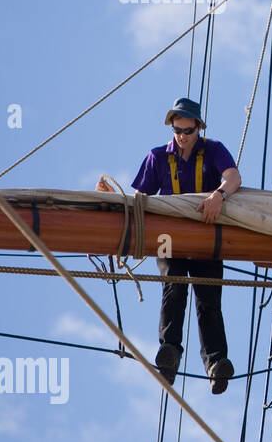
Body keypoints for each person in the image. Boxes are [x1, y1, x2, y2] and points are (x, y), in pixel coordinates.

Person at [99, 98, 242, 394]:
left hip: (204, 236)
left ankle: (216, 363)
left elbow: (233, 177)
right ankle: (170, 353)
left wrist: (218, 196)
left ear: (198, 127)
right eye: (177, 129)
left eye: (188, 130)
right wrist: (111, 203)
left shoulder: (213, 149)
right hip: (168, 239)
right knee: (173, 288)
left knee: (208, 299)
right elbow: (138, 201)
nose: (182, 136)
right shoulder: (157, 158)